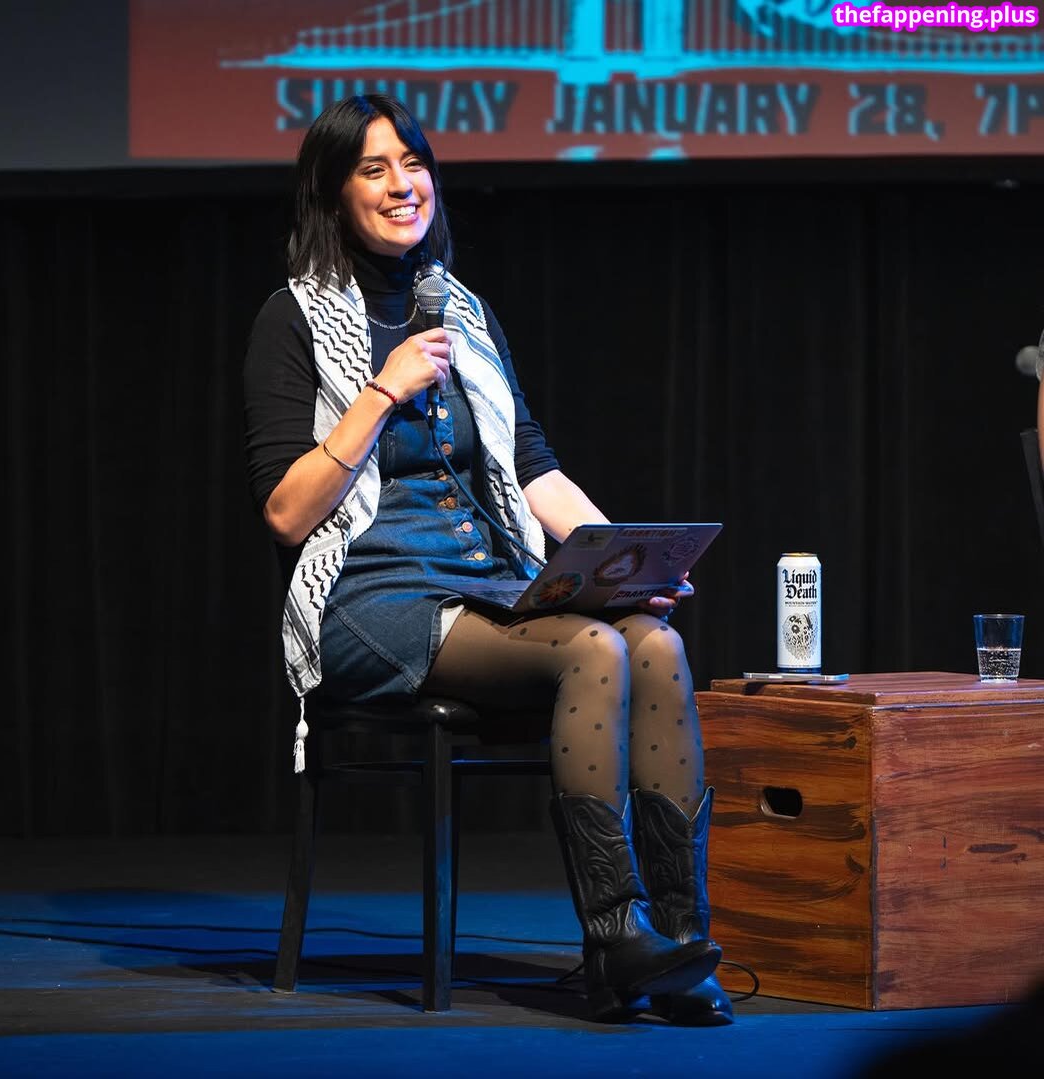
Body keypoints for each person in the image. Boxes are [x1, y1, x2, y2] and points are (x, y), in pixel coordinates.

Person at [242, 93, 732, 1025]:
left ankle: (678, 935)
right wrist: (381, 392)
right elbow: (285, 511)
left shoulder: (461, 310)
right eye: (375, 169)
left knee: (653, 640)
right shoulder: (291, 319)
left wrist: (627, 561)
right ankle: (614, 936)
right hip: (368, 600)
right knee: (594, 649)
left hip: (486, 586)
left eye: (414, 164)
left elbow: (530, 465)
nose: (403, 185)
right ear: (333, 192)